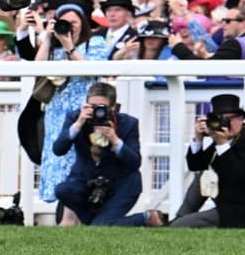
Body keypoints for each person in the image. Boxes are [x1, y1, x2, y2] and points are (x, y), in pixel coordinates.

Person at [53, 82, 165, 227]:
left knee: (99, 227)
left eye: (102, 107)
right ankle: (99, 222)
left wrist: (115, 140)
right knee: (62, 190)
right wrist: (78, 124)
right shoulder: (75, 117)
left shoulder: (128, 123)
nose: (97, 111)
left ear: (113, 107)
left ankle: (146, 217)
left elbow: (135, 162)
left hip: (121, 184)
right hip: (87, 181)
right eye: (92, 106)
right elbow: (58, 150)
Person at [170, 93, 245, 228]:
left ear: (241, 119)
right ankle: (179, 218)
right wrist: (198, 139)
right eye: (221, 119)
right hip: (227, 203)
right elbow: (196, 165)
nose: (227, 124)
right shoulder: (223, 139)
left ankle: (176, 224)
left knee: (182, 225)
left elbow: (237, 175)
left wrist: (222, 144)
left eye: (231, 119)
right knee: (201, 176)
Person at [34, 3, 107, 205]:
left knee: (79, 151)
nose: (70, 26)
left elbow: (92, 71)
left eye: (74, 22)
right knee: (56, 150)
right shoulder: (53, 47)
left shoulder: (95, 42)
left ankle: (80, 198)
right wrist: (47, 38)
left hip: (83, 107)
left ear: (82, 23)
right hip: (56, 109)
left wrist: (69, 46)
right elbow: (37, 68)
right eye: (65, 22)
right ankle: (54, 198)